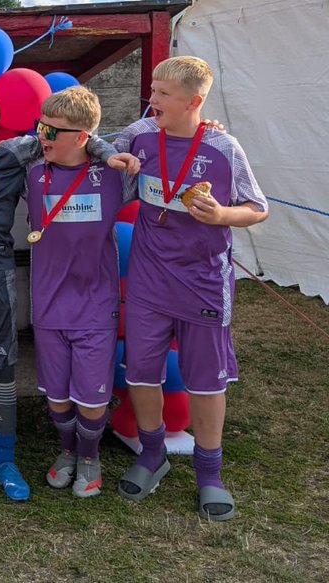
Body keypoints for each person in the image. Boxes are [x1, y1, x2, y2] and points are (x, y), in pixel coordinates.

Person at [0, 89, 134, 501]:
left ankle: (6, 460)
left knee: (2, 365)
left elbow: (84, 137)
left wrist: (99, 145)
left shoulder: (18, 155)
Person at [114, 56, 267, 520]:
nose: (151, 99)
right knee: (141, 372)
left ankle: (209, 473)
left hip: (203, 281)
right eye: (153, 91)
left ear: (194, 101)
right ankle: (152, 454)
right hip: (147, 279)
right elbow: (101, 151)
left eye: (162, 93)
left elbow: (257, 207)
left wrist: (223, 215)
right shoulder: (140, 135)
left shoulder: (223, 147)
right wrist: (113, 159)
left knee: (204, 381)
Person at [26, 86, 134, 498]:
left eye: (53, 131)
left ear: (82, 137)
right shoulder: (33, 170)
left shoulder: (112, 176)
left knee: (90, 396)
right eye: (42, 127)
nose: (43, 137)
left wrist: (105, 151)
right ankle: (67, 450)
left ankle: (90, 456)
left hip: (95, 305)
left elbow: (154, 142)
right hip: (49, 305)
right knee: (56, 395)